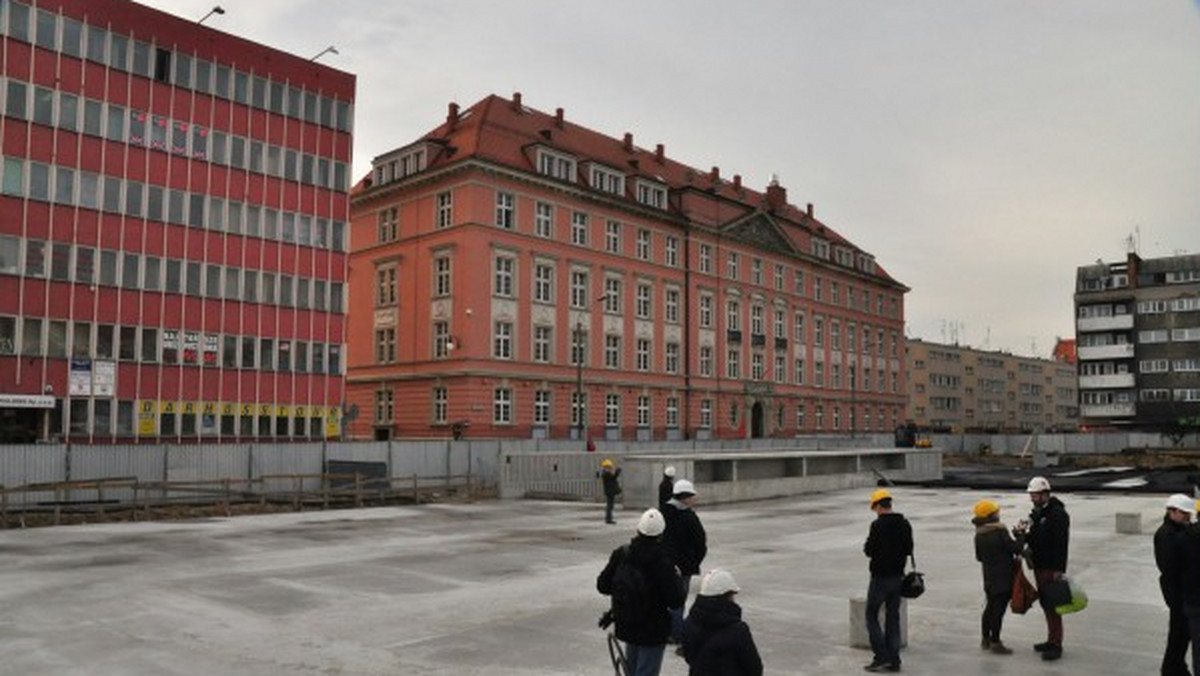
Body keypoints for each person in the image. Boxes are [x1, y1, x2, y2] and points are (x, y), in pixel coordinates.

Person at [597, 508, 685, 676]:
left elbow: (602, 586)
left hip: (627, 624)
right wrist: (677, 578)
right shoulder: (663, 563)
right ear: (661, 534)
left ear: (638, 530)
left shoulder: (622, 554)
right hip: (652, 631)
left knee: (632, 669)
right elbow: (675, 601)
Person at [1020, 476, 1070, 661]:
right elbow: (1036, 538)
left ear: (1045, 494)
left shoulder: (1057, 515)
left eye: (1035, 495)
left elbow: (1061, 543)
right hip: (1040, 565)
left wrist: (1059, 569)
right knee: (1046, 605)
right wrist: (1023, 535)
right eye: (1031, 495)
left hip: (1051, 567)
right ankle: (1051, 639)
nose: (1032, 499)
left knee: (1053, 605)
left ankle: (1056, 644)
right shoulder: (1038, 514)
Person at [863, 488, 913, 673]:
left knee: (871, 615)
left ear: (877, 506)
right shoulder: (904, 523)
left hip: (880, 578)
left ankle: (881, 657)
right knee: (893, 618)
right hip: (898, 577)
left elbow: (869, 550)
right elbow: (909, 548)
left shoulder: (877, 525)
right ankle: (894, 659)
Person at [682, 569, 763, 676]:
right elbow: (754, 667)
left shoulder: (690, 622)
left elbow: (689, 657)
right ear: (727, 596)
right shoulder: (738, 630)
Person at [972, 499, 1023, 655]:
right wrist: (1021, 534)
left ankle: (985, 639)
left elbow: (979, 557)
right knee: (998, 610)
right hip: (1004, 576)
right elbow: (1016, 548)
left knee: (990, 607)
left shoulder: (979, 534)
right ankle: (996, 642)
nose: (998, 514)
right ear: (991, 515)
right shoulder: (999, 531)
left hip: (989, 577)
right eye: (996, 512)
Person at [661, 479, 707, 643]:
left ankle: (666, 631)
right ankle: (677, 634)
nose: (695, 499)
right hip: (684, 567)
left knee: (664, 600)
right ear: (685, 497)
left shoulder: (663, 513)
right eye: (692, 495)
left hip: (663, 565)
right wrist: (693, 562)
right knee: (678, 602)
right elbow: (701, 544)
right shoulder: (690, 517)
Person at [1156, 494, 1195, 676]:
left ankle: (1176, 666)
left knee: (1182, 634)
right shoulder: (1166, 534)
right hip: (1176, 592)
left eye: (1189, 514)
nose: (1187, 517)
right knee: (1178, 634)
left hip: (1181, 590)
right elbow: (1170, 567)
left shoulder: (1178, 531)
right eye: (1184, 513)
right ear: (1171, 511)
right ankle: (1172, 669)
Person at [599, 459, 622, 525]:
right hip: (609, 492)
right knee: (609, 506)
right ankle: (608, 519)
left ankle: (609, 518)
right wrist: (617, 472)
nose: (609, 469)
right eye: (608, 467)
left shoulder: (606, 474)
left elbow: (613, 478)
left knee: (610, 506)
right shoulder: (606, 474)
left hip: (610, 492)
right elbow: (613, 478)